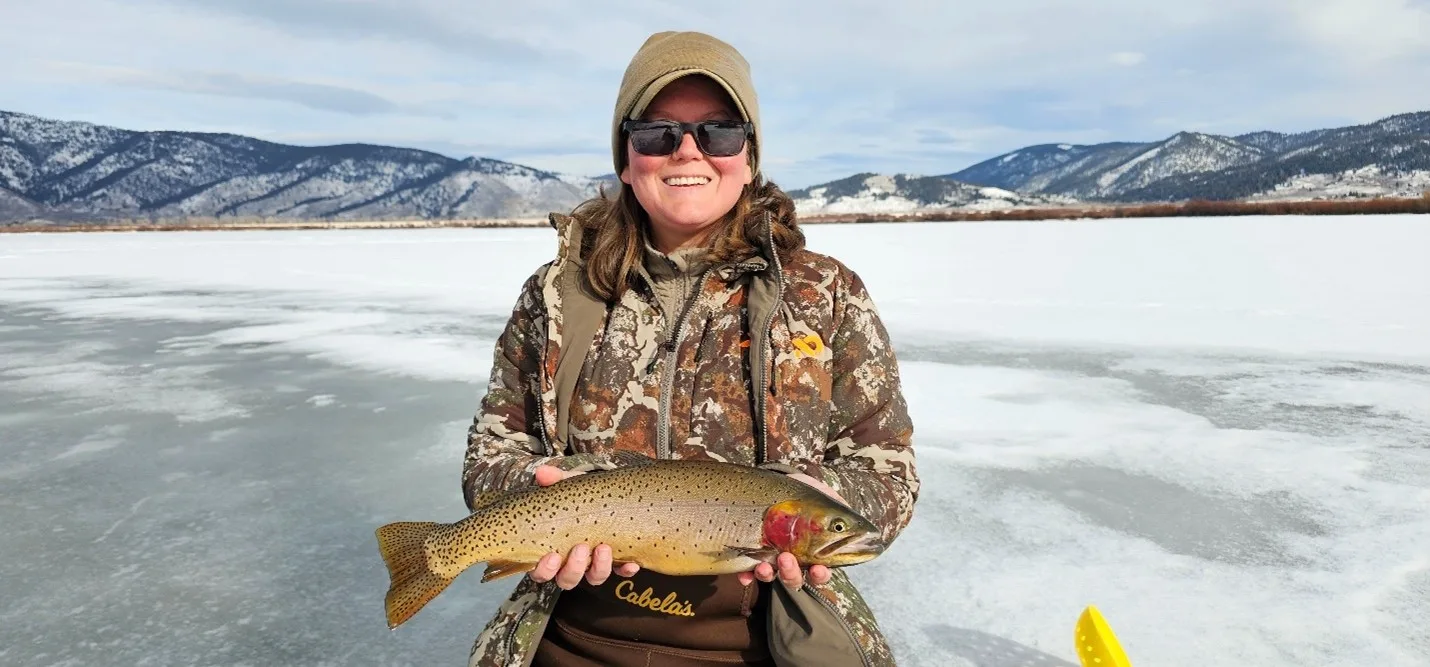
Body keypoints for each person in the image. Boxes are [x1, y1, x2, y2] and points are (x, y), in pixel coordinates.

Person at [460, 30, 918, 667]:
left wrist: (825, 498)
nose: (687, 151)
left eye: (719, 131)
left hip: (771, 643)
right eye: (657, 132)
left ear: (750, 156)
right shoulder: (556, 296)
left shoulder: (826, 295)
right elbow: (493, 452)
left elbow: (886, 467)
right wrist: (551, 501)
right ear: (626, 157)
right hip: (568, 639)